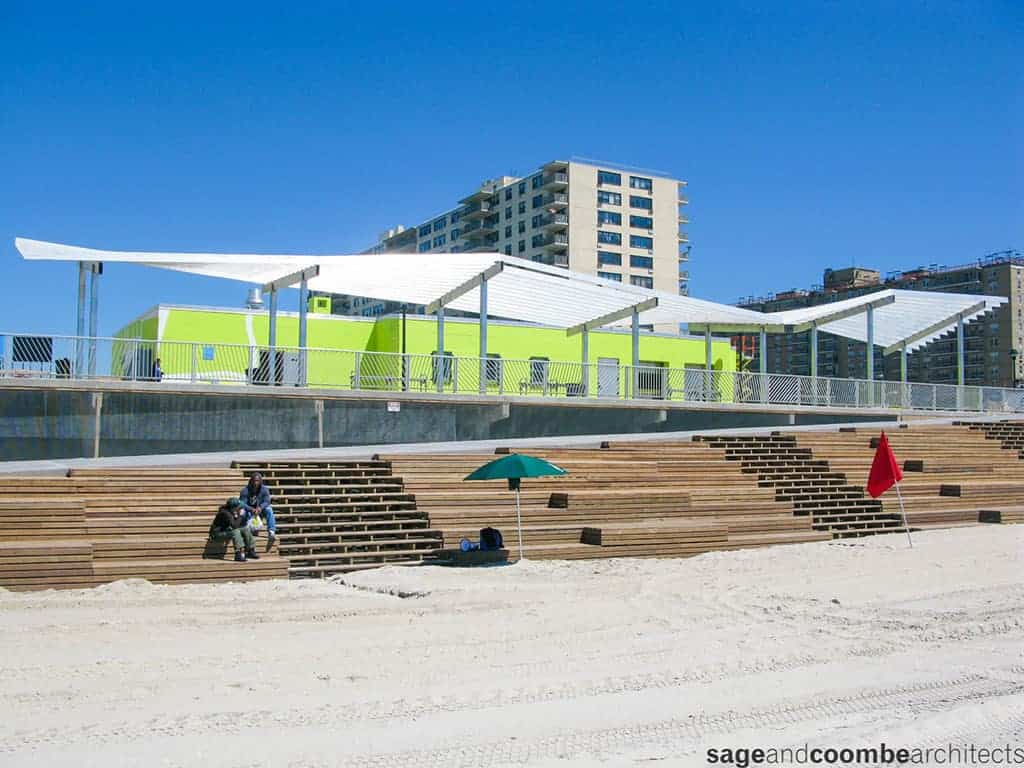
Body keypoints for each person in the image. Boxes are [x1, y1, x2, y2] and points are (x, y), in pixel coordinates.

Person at [208, 497, 260, 562]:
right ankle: (238, 553)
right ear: (233, 507)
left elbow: (236, 524)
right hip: (217, 533)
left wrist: (237, 515)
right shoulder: (225, 513)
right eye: (238, 507)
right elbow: (235, 526)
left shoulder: (231, 511)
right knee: (236, 531)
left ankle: (250, 550)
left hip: (227, 529)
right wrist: (240, 515)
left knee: (245, 529)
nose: (239, 508)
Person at [240, 472, 277, 549]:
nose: (255, 482)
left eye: (257, 481)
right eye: (254, 480)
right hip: (249, 511)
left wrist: (260, 507)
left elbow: (267, 501)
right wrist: (251, 509)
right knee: (242, 511)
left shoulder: (264, 489)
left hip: (260, 510)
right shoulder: (245, 490)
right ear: (251, 481)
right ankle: (245, 530)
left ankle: (271, 531)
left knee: (269, 509)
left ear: (260, 481)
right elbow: (242, 503)